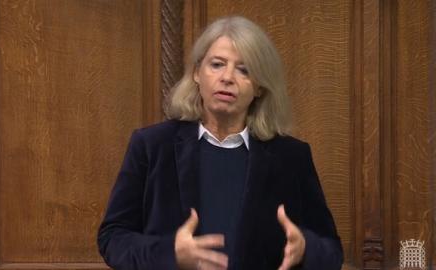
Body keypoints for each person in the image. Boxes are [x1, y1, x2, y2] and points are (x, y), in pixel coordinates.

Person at [98, 16, 343, 270]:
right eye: (217, 64)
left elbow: (332, 252)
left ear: (259, 88)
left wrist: (305, 248)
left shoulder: (291, 157)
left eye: (244, 70)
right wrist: (169, 253)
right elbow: (113, 237)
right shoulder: (151, 146)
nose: (227, 77)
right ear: (196, 73)